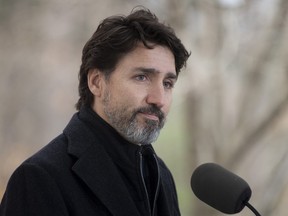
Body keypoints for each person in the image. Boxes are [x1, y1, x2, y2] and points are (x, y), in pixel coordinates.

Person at [0, 7, 189, 216]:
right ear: (96, 82)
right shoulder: (39, 179)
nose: (159, 99)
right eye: (142, 77)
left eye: (168, 83)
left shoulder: (161, 176)